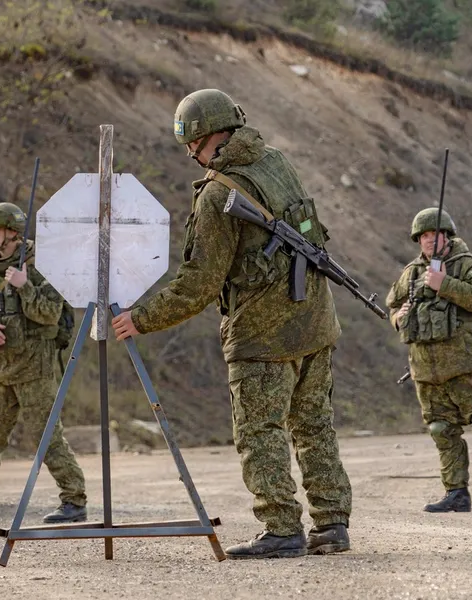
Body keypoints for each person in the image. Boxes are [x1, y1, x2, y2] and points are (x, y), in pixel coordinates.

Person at [111, 89, 352, 559]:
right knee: (314, 425)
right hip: (316, 321)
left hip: (262, 336)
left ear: (213, 137)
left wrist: (139, 319)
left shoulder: (220, 193)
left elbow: (199, 283)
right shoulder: (277, 162)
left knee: (260, 431)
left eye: (193, 144)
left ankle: (281, 528)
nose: (190, 154)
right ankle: (331, 523)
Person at [0, 202, 87, 524]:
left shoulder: (43, 268)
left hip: (35, 367)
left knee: (47, 437)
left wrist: (25, 287)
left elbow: (50, 314)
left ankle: (74, 501)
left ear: (13, 233)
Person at [386, 208, 472, 513]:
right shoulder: (411, 272)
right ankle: (456, 493)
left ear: (447, 236)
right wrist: (397, 319)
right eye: (423, 236)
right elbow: (394, 304)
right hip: (427, 371)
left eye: (434, 234)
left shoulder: (467, 265)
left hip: (467, 366)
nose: (428, 240)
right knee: (442, 430)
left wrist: (445, 285)